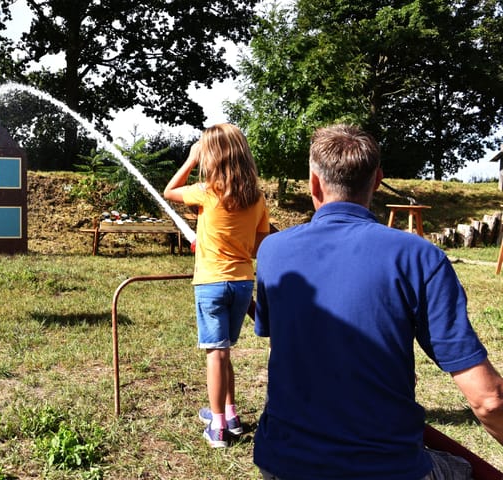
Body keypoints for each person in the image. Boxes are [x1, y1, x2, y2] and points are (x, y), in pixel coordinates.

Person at [253, 124, 503, 479]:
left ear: (313, 182)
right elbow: (488, 399)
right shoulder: (419, 257)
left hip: (283, 461)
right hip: (385, 466)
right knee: (463, 471)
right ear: (377, 180)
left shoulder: (272, 251)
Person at [164, 123, 270, 448]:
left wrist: (190, 160)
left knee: (216, 354)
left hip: (210, 283)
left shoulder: (206, 191)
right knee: (224, 352)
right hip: (241, 283)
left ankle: (218, 428)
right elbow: (257, 247)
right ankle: (231, 414)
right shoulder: (257, 198)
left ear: (211, 156)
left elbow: (169, 191)